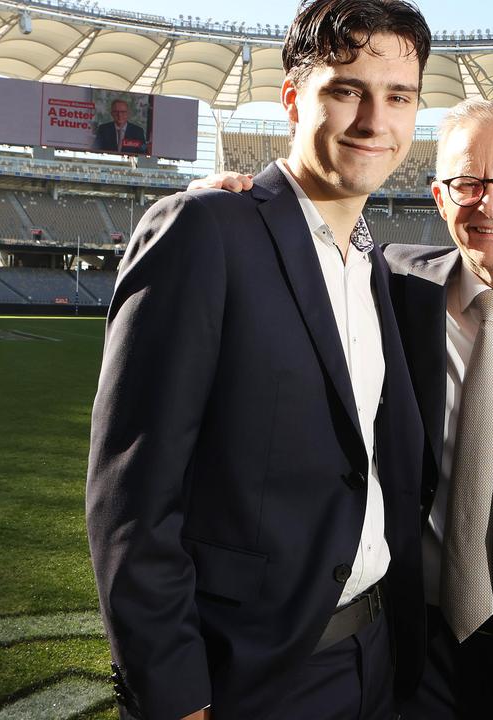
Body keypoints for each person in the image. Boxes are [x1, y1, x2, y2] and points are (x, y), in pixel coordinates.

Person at [195, 99, 493, 720]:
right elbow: (298, 253)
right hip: (407, 654)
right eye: (468, 183)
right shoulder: (391, 283)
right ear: (439, 195)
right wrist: (228, 208)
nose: (490, 203)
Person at [85, 1, 431, 719]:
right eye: (346, 90)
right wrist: (175, 695)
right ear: (293, 99)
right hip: (252, 674)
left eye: (398, 96)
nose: (375, 119)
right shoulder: (207, 230)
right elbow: (133, 498)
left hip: (376, 658)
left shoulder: (378, 267)